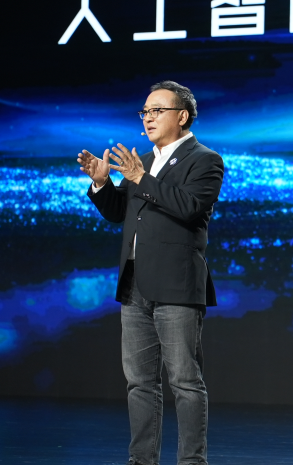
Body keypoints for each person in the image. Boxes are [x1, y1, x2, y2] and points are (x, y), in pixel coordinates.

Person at [76, 80, 223, 465]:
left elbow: (189, 207)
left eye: (158, 110)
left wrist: (141, 178)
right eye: (145, 111)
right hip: (134, 285)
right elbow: (119, 213)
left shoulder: (205, 160)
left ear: (182, 116)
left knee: (185, 382)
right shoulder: (140, 161)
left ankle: (192, 461)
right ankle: (142, 460)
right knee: (139, 382)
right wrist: (102, 182)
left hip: (176, 286)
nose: (148, 117)